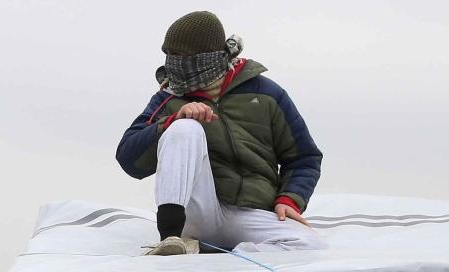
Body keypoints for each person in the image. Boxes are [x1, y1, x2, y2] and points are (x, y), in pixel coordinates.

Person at [116, 11, 323, 255]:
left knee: (311, 245)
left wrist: (290, 199)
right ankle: (171, 237)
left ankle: (214, 252)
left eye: (183, 57)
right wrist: (171, 121)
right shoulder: (167, 99)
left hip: (252, 212)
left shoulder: (266, 94)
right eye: (170, 56)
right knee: (185, 127)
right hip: (197, 212)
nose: (175, 63)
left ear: (210, 57)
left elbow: (304, 158)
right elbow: (129, 160)